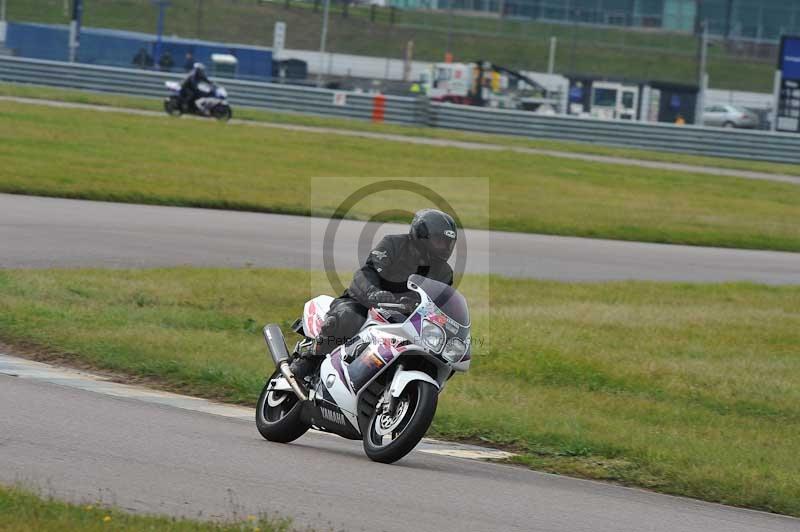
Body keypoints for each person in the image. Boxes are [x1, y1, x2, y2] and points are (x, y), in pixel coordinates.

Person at [292, 209, 458, 378]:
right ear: (421, 236)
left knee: (444, 352)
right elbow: (367, 272)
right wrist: (374, 292)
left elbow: (441, 303)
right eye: (439, 241)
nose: (444, 247)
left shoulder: (444, 272)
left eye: (448, 242)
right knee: (349, 316)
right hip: (366, 303)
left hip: (408, 318)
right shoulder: (393, 244)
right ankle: (311, 358)